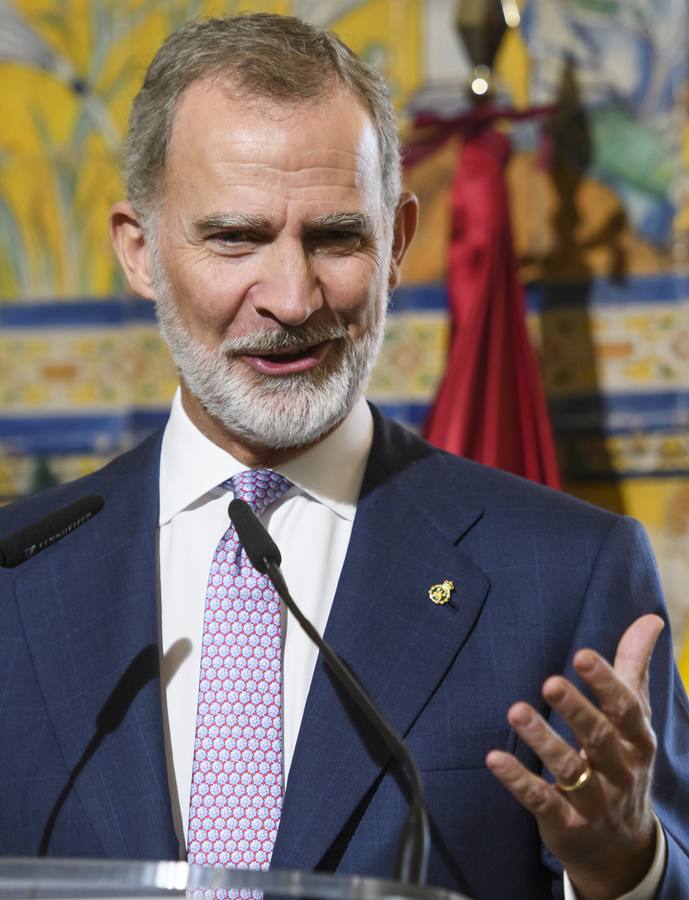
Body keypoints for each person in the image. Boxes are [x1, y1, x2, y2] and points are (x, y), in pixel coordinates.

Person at [1, 13, 688, 900]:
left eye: (334, 238)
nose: (291, 298)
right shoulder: (17, 577)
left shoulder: (564, 576)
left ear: (396, 243)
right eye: (235, 239)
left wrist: (621, 866)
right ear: (140, 252)